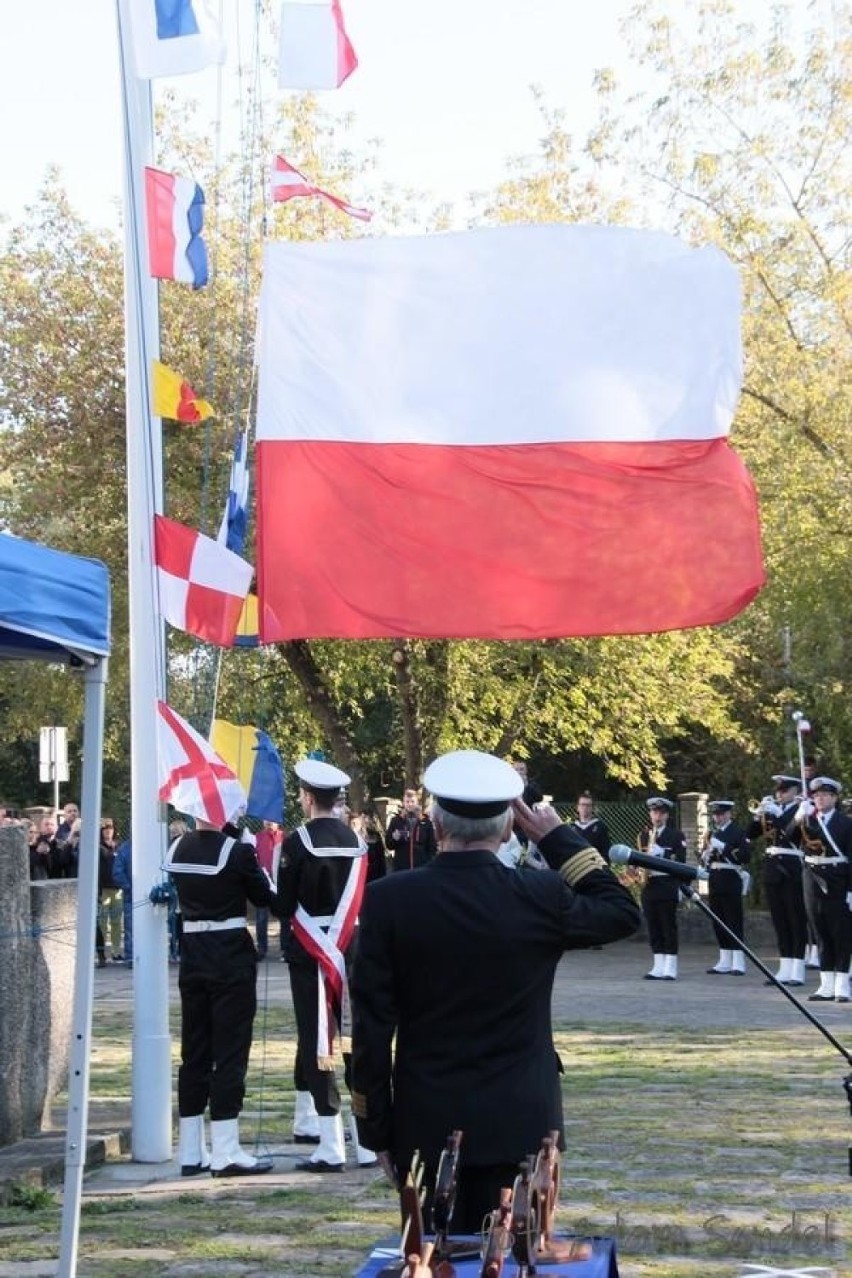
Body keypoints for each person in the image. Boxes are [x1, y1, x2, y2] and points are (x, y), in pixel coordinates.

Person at [350, 749, 641, 1233]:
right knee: (517, 1257)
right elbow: (619, 911)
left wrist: (375, 1128)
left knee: (436, 1255)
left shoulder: (388, 901)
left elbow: (371, 1028)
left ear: (437, 827)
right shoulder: (540, 895)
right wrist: (556, 838)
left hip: (427, 1122)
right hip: (524, 1121)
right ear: (509, 828)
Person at [276, 758, 375, 1171]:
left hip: (310, 949)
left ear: (307, 796)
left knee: (318, 1043)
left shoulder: (296, 842)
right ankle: (367, 1141)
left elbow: (283, 905)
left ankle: (331, 1144)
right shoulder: (357, 842)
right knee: (355, 1041)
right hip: (350, 946)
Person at [165, 810, 275, 1177]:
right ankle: (225, 1148)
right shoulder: (236, 850)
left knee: (194, 1049)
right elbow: (264, 898)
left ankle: (191, 1151)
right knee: (230, 1050)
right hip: (228, 954)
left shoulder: (177, 847)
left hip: (193, 952)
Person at [795, 777, 852, 1003]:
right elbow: (790, 838)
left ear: (834, 798)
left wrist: (851, 889)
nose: (820, 798)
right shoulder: (807, 820)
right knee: (820, 933)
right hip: (811, 879)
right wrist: (798, 816)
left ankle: (842, 985)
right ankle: (826, 985)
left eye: (825, 795)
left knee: (840, 934)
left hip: (837, 881)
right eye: (816, 795)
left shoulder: (846, 823)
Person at [747, 774, 807, 985]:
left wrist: (777, 814)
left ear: (794, 792)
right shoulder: (772, 811)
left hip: (792, 868)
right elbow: (750, 834)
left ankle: (798, 969)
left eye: (783, 790)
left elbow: (791, 833)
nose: (779, 794)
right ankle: (784, 967)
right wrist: (758, 817)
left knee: (795, 919)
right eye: (777, 791)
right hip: (773, 868)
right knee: (779, 919)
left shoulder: (802, 809)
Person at [638, 797, 687, 981]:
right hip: (650, 883)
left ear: (666, 815)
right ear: (650, 814)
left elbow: (680, 860)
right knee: (654, 926)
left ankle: (670, 966)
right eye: (654, 812)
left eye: (661, 813)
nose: (657, 816)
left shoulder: (676, 836)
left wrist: (663, 853)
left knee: (668, 925)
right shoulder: (644, 835)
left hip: (667, 883)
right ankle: (657, 965)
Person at [700, 800, 751, 977]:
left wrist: (724, 847)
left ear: (729, 814)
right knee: (718, 919)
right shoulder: (711, 833)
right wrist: (705, 855)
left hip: (731, 878)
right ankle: (724, 959)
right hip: (715, 878)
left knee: (733, 920)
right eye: (715, 814)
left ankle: (738, 961)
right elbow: (705, 859)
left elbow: (745, 856)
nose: (718, 817)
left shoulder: (737, 832)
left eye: (721, 814)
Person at [386, 788, 437, 871]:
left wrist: (429, 865)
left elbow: (432, 847)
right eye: (407, 802)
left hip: (421, 868)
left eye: (412, 801)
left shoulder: (426, 822)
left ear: (417, 803)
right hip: (401, 868)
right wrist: (395, 839)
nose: (410, 804)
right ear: (404, 803)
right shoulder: (396, 821)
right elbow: (389, 845)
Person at [253, 821, 284, 960]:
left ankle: (285, 948)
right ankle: (261, 948)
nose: (269, 822)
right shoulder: (257, 837)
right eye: (266, 819)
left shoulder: (285, 837)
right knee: (261, 916)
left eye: (272, 820)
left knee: (285, 917)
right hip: (264, 881)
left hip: (281, 881)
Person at [568, 792, 612, 862]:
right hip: (576, 866)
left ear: (592, 808)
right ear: (577, 807)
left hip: (595, 866)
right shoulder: (571, 828)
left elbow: (606, 850)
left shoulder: (600, 827)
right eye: (582, 805)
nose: (585, 808)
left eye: (588, 805)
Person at [112, 835, 133, 966]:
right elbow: (117, 872)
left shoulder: (124, 849)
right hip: (131, 896)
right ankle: (131, 956)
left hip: (138, 894)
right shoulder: (125, 849)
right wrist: (128, 888)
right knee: (130, 928)